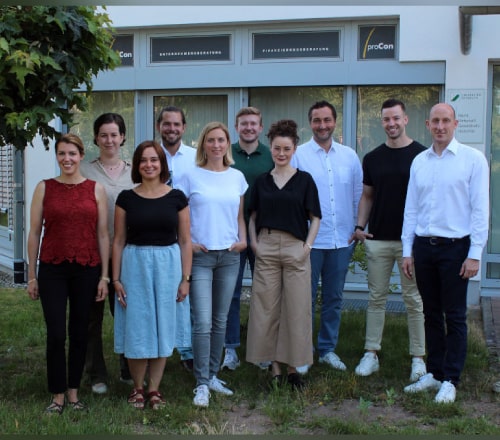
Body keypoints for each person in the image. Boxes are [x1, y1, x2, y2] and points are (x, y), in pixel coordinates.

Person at [401, 103, 489, 403]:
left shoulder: (473, 160)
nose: (440, 126)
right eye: (435, 121)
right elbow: (411, 208)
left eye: (446, 121)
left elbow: (480, 210)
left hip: (456, 248)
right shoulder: (419, 161)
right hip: (424, 248)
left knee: (455, 315)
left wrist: (475, 253)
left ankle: (451, 378)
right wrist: (407, 250)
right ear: (427, 124)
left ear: (455, 123)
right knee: (430, 314)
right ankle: (434, 372)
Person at [27, 133, 109, 415]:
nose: (67, 159)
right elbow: (35, 231)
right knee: (56, 333)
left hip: (87, 267)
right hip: (52, 268)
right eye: (62, 154)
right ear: (57, 157)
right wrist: (31, 274)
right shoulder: (44, 188)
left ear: (81, 156)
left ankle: (73, 392)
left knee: (79, 332)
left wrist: (105, 276)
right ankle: (57, 394)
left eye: (72, 154)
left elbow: (102, 234)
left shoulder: (95, 189)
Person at [349, 99, 427, 381]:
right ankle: (371, 353)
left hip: (411, 243)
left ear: (406, 119)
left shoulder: (422, 156)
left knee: (413, 299)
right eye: (386, 119)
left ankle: (418, 357)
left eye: (396, 118)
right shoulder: (372, 158)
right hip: (378, 238)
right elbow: (367, 196)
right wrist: (360, 226)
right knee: (376, 298)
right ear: (381, 122)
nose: (391, 124)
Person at [112, 140, 192, 410]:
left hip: (168, 267)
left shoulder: (177, 197)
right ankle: (137, 387)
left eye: (154, 160)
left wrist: (185, 279)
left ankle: (154, 388)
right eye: (143, 160)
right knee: (138, 326)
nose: (149, 165)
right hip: (134, 266)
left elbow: (184, 240)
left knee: (163, 326)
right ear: (137, 165)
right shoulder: (126, 198)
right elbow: (118, 240)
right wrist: (116, 279)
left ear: (162, 164)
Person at [246, 119, 321, 390]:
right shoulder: (262, 181)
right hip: (266, 246)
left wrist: (307, 247)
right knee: (266, 308)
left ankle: (293, 368)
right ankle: (274, 368)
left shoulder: (304, 180)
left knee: (296, 309)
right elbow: (252, 216)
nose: (281, 153)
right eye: (277, 148)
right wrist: (254, 243)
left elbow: (315, 218)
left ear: (294, 148)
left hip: (295, 248)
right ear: (271, 147)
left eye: (286, 149)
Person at [177, 122, 247, 408]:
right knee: (203, 321)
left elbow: (240, 215)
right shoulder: (189, 176)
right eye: (211, 140)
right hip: (201, 257)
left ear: (227, 144)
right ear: (203, 144)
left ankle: (213, 375)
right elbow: (178, 215)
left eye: (221, 140)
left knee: (220, 320)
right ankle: (201, 382)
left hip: (229, 255)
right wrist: (188, 243)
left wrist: (243, 240)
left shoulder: (237, 177)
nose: (216, 145)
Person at [292, 100, 362, 373]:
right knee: (304, 299)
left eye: (327, 120)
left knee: (334, 297)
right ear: (310, 124)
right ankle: (302, 351)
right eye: (317, 120)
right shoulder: (299, 155)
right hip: (310, 242)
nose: (322, 125)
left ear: (335, 122)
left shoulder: (349, 156)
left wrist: (358, 226)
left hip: (341, 240)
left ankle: (328, 348)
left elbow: (357, 195)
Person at [80, 113, 135, 393]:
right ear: (96, 138)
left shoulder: (135, 171)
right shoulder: (85, 171)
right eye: (104, 135)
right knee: (92, 317)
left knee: (126, 313)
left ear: (122, 137)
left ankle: (129, 366)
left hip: (127, 255)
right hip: (94, 254)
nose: (109, 140)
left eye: (114, 134)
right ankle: (97, 374)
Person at [221, 106, 273, 371]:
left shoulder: (271, 154)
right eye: (244, 124)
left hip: (265, 233)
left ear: (260, 128)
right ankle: (230, 348)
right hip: (231, 234)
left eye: (254, 124)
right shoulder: (226, 154)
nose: (249, 128)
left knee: (264, 293)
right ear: (236, 126)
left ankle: (262, 348)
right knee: (231, 292)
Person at [156, 105, 196, 373]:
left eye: (176, 124)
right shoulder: (149, 154)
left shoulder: (196, 157)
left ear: (184, 127)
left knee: (186, 293)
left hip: (188, 235)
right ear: (159, 126)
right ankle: (155, 348)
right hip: (155, 234)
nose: (171, 129)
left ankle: (187, 350)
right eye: (166, 124)